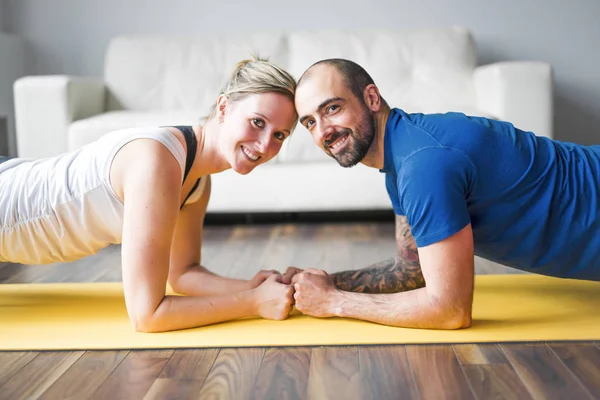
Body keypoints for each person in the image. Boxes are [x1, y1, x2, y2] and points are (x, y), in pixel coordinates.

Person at [285, 58, 600, 330]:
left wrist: (334, 302)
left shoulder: (423, 164)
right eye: (310, 122)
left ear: (371, 98)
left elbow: (450, 310)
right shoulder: (401, 155)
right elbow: (411, 268)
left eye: (333, 108)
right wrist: (320, 283)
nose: (323, 131)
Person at [0, 57, 298, 332]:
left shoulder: (197, 182)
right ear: (223, 108)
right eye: (258, 122)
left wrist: (250, 286)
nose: (264, 146)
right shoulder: (157, 160)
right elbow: (147, 315)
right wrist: (254, 303)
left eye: (279, 135)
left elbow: (183, 273)